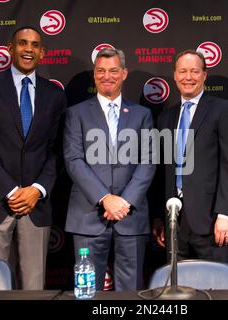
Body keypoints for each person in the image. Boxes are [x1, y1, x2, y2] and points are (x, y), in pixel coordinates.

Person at [0, 26, 67, 290]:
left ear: (42, 53)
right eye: (22, 43)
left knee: (34, 289)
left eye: (35, 45)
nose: (28, 49)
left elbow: (56, 149)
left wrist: (37, 190)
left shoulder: (54, 95)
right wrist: (10, 190)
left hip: (36, 206)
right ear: (10, 48)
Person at [64, 48, 155, 291]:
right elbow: (73, 159)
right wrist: (105, 199)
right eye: (101, 71)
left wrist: (124, 202)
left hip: (130, 215)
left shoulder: (142, 114)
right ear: (94, 75)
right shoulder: (76, 113)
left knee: (131, 291)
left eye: (114, 70)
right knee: (87, 290)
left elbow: (148, 161)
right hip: (88, 215)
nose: (107, 76)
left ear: (124, 73)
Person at [153, 50, 228, 264]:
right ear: (175, 76)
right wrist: (160, 217)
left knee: (218, 289)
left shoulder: (223, 110)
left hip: (212, 221)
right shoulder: (166, 117)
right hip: (175, 221)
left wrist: (225, 213)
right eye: (183, 71)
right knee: (179, 287)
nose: (188, 77)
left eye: (195, 71)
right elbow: (162, 171)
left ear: (204, 75)